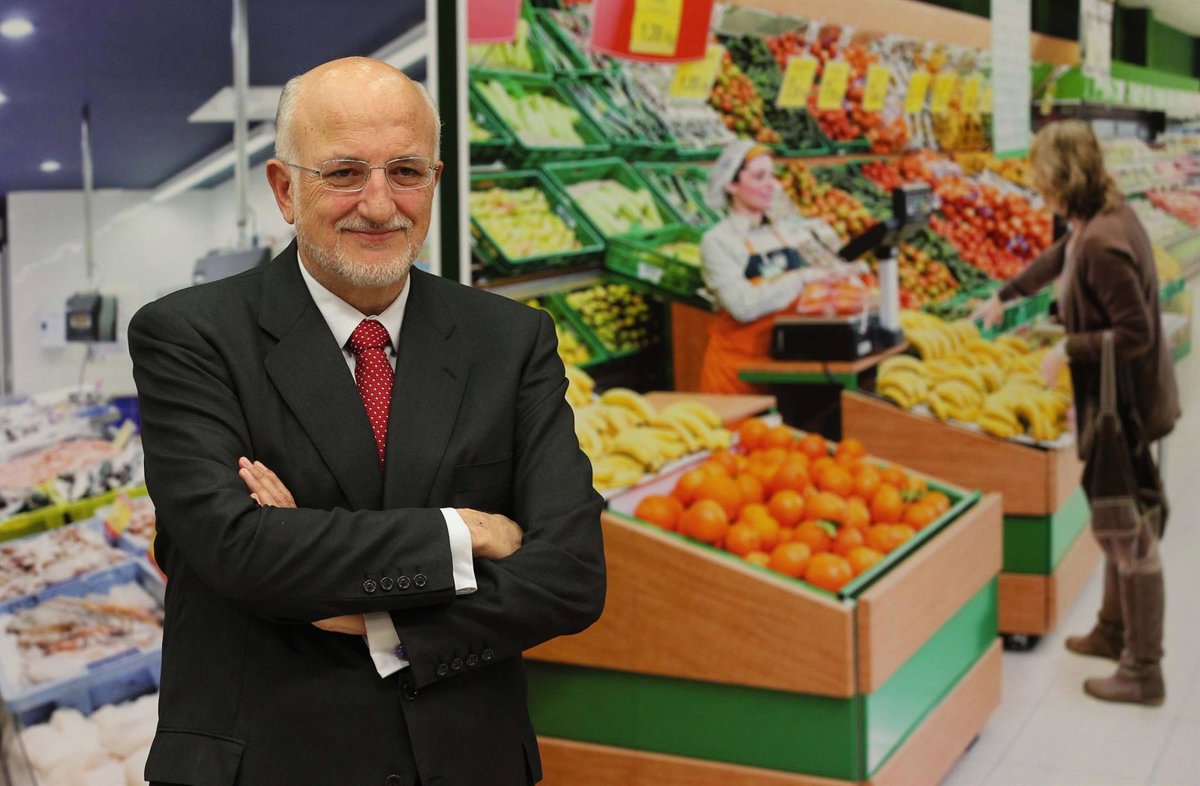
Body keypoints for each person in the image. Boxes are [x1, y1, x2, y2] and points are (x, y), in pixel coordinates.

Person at [128, 57, 605, 785]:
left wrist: (380, 621)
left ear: (434, 182)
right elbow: (238, 550)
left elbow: (570, 575)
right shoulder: (191, 338)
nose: (380, 206)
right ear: (285, 190)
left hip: (467, 763)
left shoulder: (511, 340)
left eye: (405, 172)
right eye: (345, 173)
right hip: (269, 765)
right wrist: (467, 532)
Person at [975, 120, 1179, 705]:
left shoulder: (1103, 242)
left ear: (1061, 177)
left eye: (1042, 177)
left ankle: (1143, 670)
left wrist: (1069, 348)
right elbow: (1059, 256)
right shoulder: (1099, 219)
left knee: (1128, 532)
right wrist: (1006, 294)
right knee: (1118, 520)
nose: (1038, 188)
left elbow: (1135, 333)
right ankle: (1113, 631)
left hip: (1123, 408)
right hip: (1119, 399)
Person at [698, 140, 846, 394]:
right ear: (731, 185)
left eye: (771, 175)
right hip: (736, 373)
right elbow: (742, 306)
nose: (771, 185)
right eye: (759, 177)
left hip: (784, 366)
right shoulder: (718, 241)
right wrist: (800, 278)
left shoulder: (782, 233)